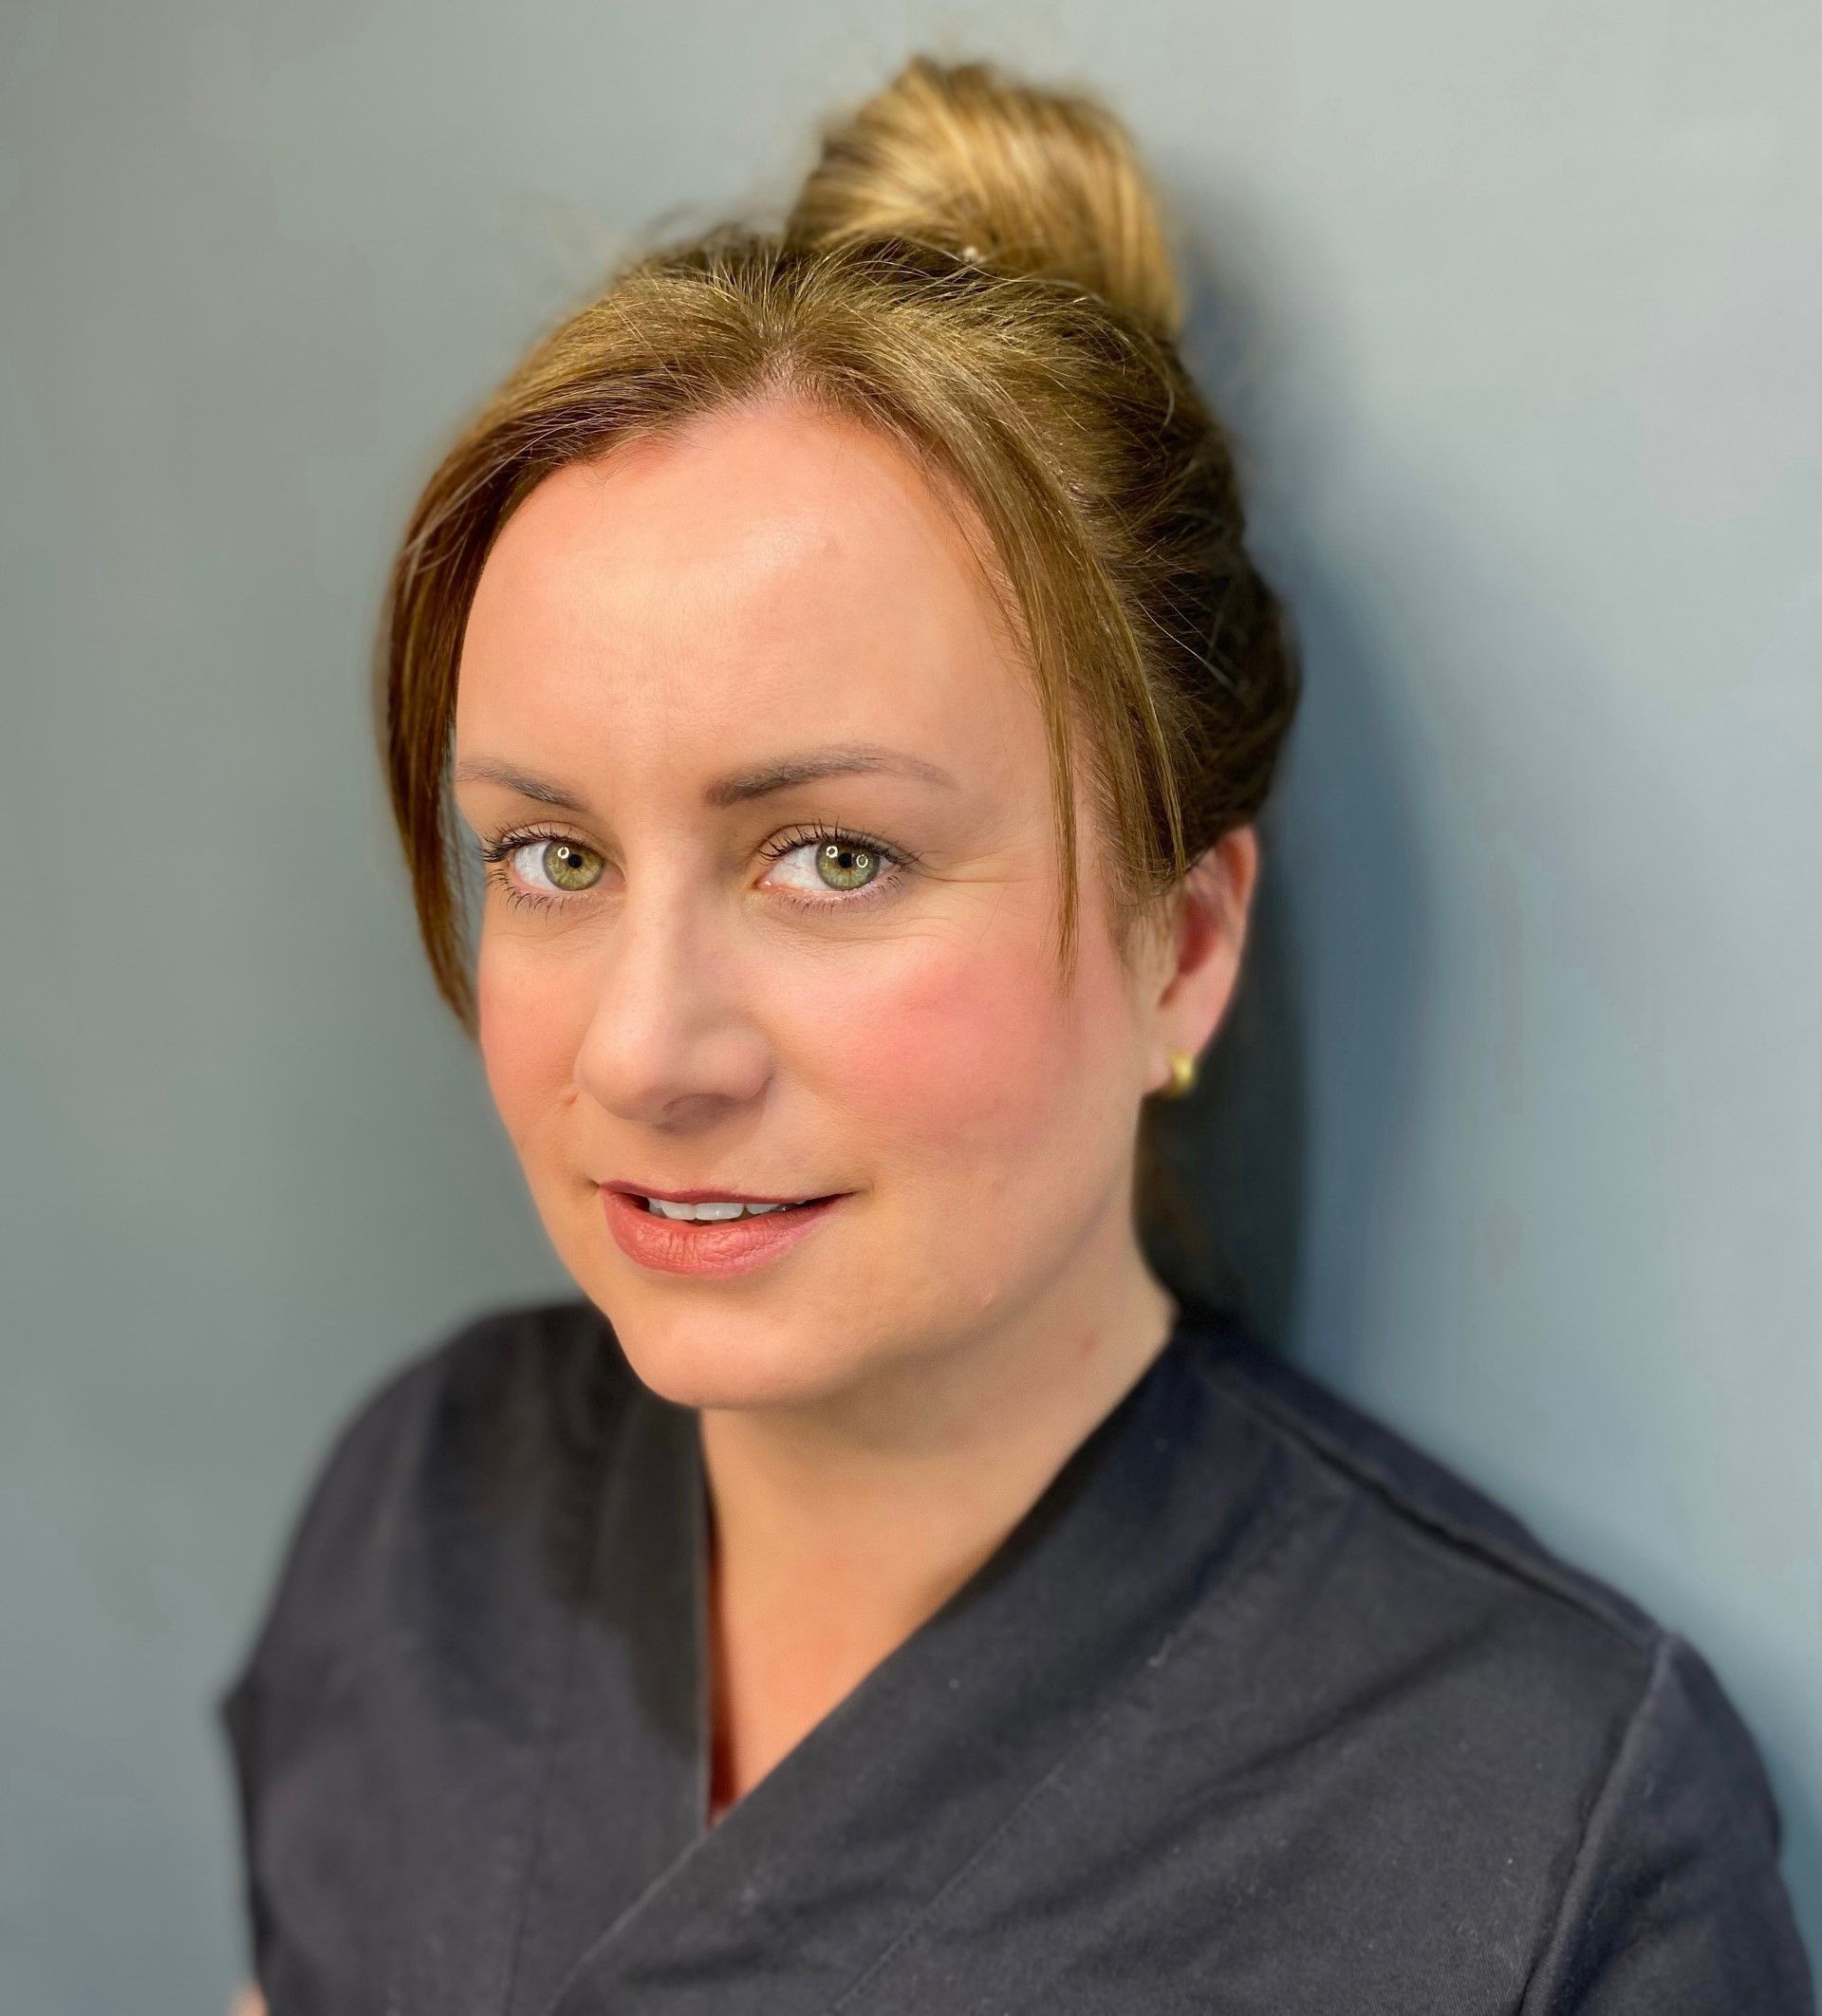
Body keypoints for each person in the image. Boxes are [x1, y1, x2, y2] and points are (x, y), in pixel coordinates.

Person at [215, 53, 1813, 2016]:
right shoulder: (422, 1524)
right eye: (550, 856)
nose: (643, 1052)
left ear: (1184, 944)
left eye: (831, 857)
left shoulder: (1539, 1834)